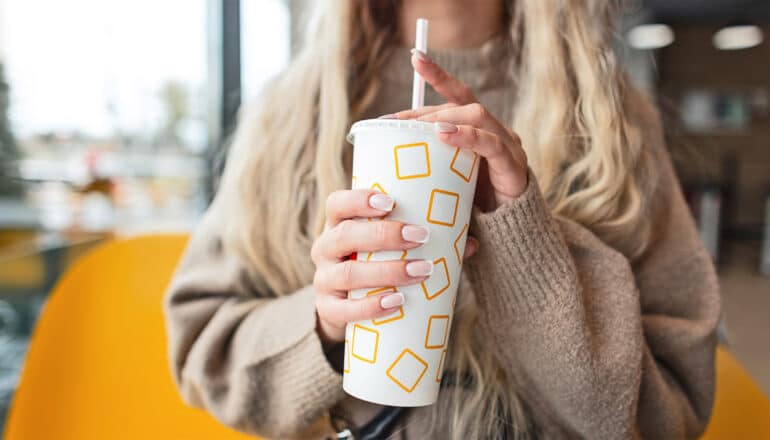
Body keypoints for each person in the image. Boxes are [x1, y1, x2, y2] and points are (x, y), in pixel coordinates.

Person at [163, 1, 720, 438]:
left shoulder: (610, 124)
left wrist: (525, 243)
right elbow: (202, 349)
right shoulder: (286, 117)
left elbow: (671, 410)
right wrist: (326, 320)